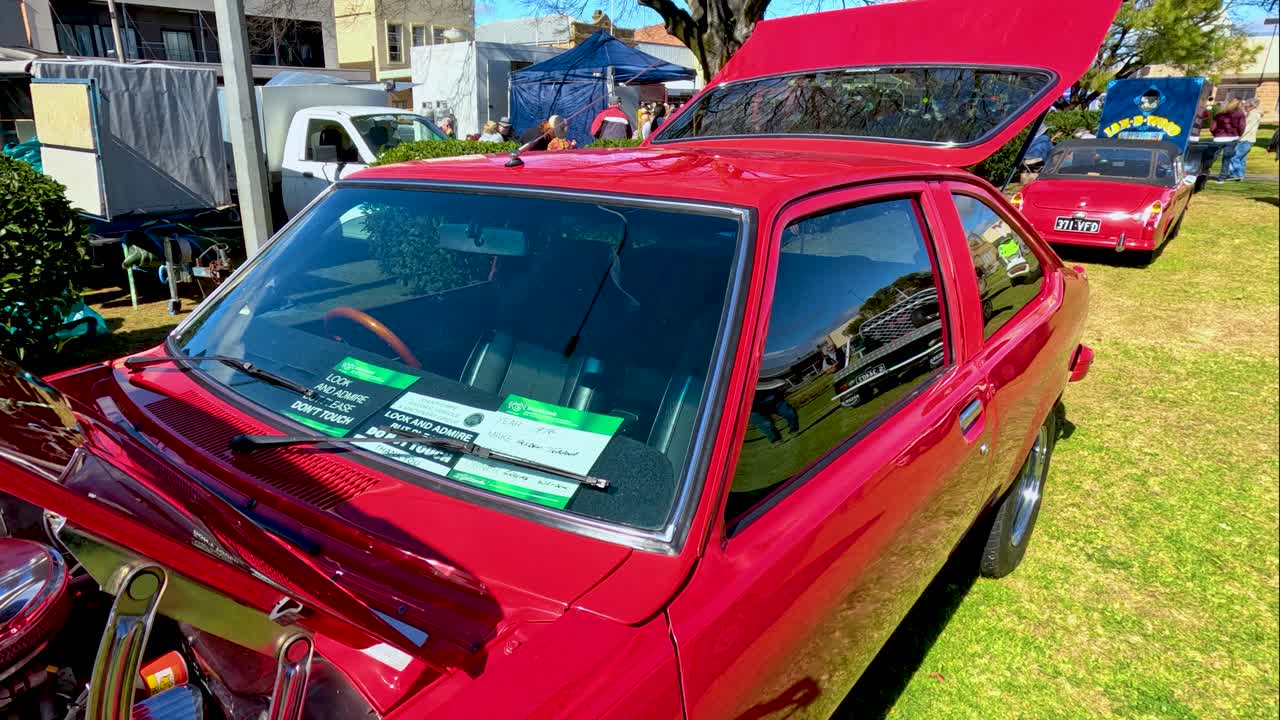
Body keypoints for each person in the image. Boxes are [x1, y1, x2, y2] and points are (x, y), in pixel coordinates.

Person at [1217, 98, 1261, 183]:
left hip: (1246, 139)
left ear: (1251, 106)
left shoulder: (1253, 115)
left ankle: (1236, 174)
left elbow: (1246, 128)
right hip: (1248, 139)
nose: (1245, 107)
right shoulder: (1252, 114)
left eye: (1246, 106)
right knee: (1241, 158)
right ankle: (1240, 175)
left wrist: (1238, 136)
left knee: (1234, 157)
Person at [1203, 98, 1244, 181]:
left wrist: (1216, 135)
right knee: (1226, 158)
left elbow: (1212, 127)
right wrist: (1239, 135)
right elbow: (1241, 126)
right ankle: (1222, 177)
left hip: (1219, 138)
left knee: (1211, 157)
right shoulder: (1240, 114)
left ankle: (1203, 173)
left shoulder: (1220, 114)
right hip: (1232, 138)